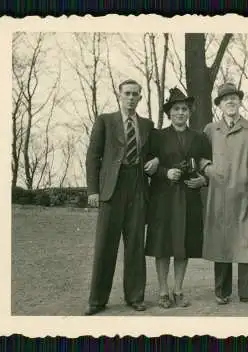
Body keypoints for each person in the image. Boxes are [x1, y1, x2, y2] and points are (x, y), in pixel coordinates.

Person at [84, 79, 159, 315]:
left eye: (135, 94)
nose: (131, 98)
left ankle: (135, 297)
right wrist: (93, 190)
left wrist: (156, 160)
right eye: (127, 93)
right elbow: (93, 157)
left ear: (140, 97)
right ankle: (97, 301)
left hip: (137, 186)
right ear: (119, 95)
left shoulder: (147, 124)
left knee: (135, 244)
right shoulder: (105, 121)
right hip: (111, 189)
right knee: (106, 245)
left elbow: (155, 152)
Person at [200, 82, 248, 306]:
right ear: (219, 104)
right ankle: (222, 292)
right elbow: (199, 157)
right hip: (219, 194)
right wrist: (207, 169)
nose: (230, 101)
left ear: (240, 102)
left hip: (247, 194)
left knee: (247, 243)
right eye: (225, 98)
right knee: (222, 242)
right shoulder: (210, 130)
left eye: (234, 97)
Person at [145, 87, 211, 309]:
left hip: (189, 197)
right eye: (176, 109)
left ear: (189, 112)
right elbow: (148, 166)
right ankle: (163, 292)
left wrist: (203, 180)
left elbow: (207, 164)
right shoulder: (157, 136)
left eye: (184, 109)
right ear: (169, 113)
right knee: (163, 245)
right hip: (163, 197)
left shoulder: (199, 137)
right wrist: (165, 172)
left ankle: (178, 290)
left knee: (183, 245)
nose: (180, 113)